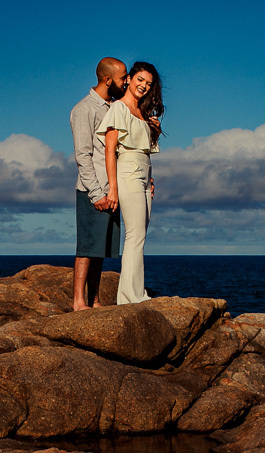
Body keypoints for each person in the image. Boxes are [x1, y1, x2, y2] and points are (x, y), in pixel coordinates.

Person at [99, 61, 163, 305]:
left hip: (145, 174)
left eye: (148, 84)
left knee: (140, 236)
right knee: (135, 235)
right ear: (129, 79)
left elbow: (145, 150)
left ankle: (134, 292)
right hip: (128, 172)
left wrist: (154, 130)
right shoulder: (119, 108)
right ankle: (130, 297)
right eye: (139, 80)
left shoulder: (144, 113)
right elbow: (110, 149)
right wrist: (112, 188)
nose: (143, 86)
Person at [70, 57, 128, 311]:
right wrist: (95, 193)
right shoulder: (85, 109)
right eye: (123, 77)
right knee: (86, 246)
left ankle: (93, 299)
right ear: (108, 79)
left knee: (100, 248)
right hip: (91, 190)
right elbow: (83, 155)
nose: (126, 81)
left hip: (110, 189)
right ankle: (78, 302)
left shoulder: (113, 107)